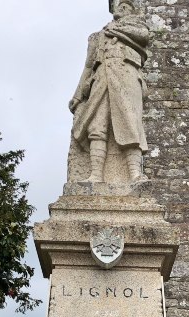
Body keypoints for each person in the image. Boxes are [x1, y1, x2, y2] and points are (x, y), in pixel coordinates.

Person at [69, 0, 150, 183]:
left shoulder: (137, 27)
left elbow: (143, 36)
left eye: (127, 5)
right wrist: (77, 95)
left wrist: (116, 30)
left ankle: (135, 174)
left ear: (132, 10)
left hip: (126, 78)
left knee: (130, 124)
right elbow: (88, 66)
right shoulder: (97, 37)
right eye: (119, 3)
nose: (122, 6)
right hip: (102, 79)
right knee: (97, 126)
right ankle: (96, 174)